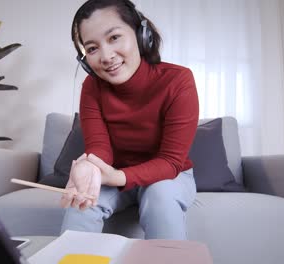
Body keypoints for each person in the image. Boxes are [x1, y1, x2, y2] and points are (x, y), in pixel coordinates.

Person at [60, 0, 199, 240]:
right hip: (113, 173)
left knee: (161, 196)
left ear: (141, 34)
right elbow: (99, 149)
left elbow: (171, 161)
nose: (106, 56)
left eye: (114, 37)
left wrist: (118, 177)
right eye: (92, 48)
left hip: (168, 175)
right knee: (82, 202)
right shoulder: (92, 87)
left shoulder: (179, 80)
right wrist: (89, 168)